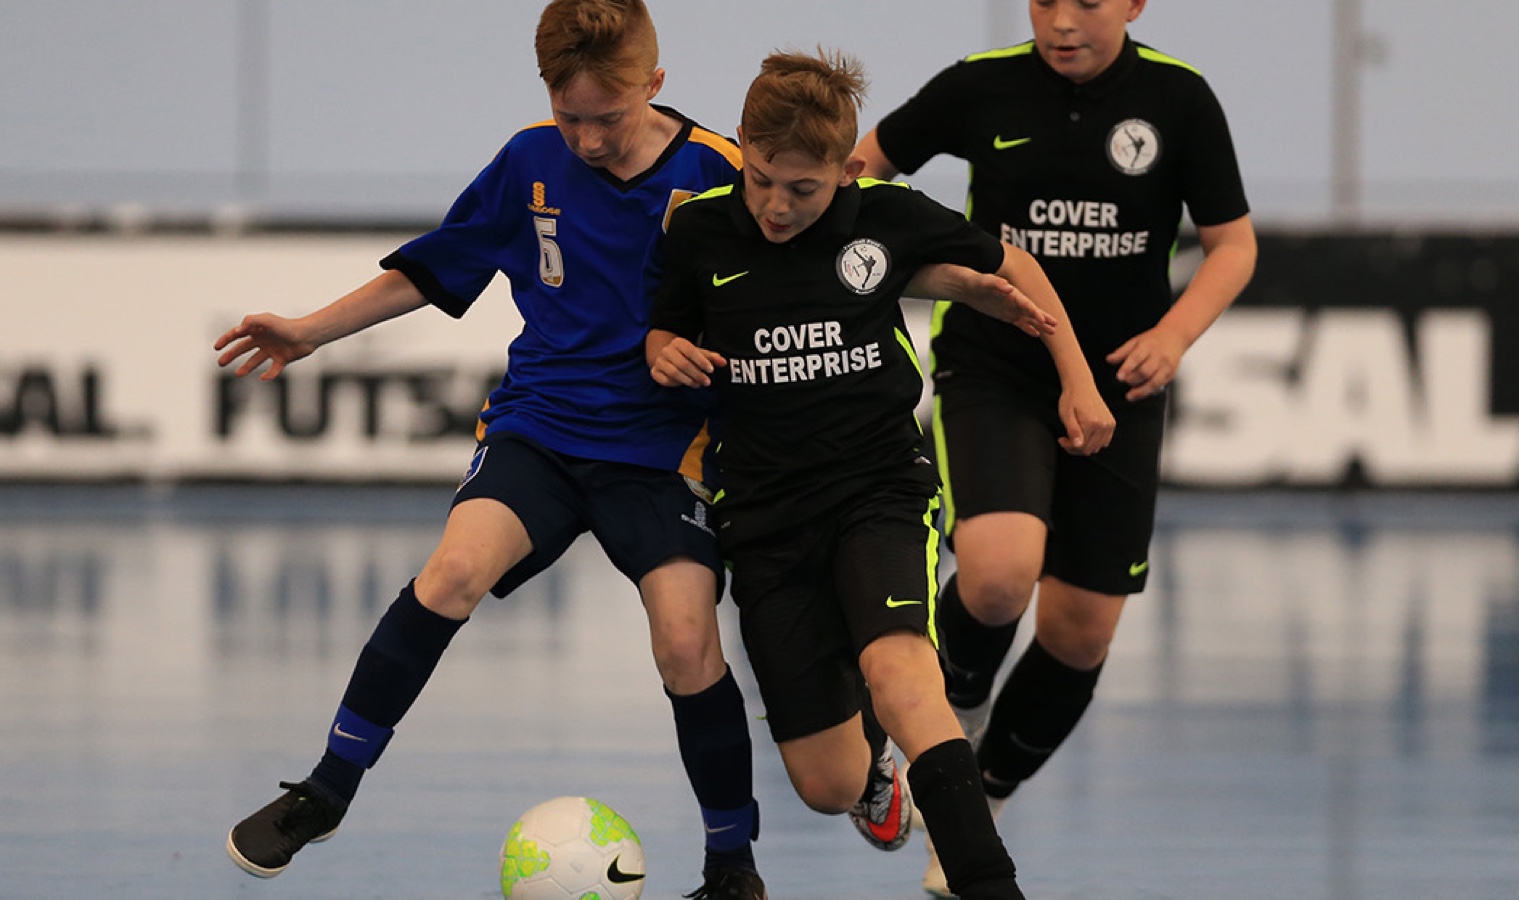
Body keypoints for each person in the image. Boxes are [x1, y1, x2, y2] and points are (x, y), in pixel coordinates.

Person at [214, 2, 769, 897]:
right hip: (540, 430)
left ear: (655, 85)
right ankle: (325, 791)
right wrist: (311, 332)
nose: (586, 139)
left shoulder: (720, 173)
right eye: (568, 113)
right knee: (450, 575)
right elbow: (434, 267)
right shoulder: (528, 159)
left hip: (664, 451)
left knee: (686, 643)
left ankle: (733, 866)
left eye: (609, 116)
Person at [647, 48, 1114, 900]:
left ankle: (987, 881)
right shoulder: (697, 230)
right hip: (762, 514)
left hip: (879, 489)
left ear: (844, 171)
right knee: (824, 785)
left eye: (804, 190)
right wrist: (662, 349)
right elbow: (664, 326)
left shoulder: (887, 216)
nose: (777, 206)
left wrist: (1075, 379)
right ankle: (869, 774)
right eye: (761, 181)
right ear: (743, 146)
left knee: (904, 675)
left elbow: (1017, 271)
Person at [853, 0, 1259, 894]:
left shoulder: (1179, 100)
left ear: (1133, 5)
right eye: (1044, 0)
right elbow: (862, 165)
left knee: (1079, 634)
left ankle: (988, 787)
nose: (1061, 20)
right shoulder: (980, 86)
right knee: (998, 575)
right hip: (995, 368)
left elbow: (1232, 246)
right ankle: (937, 727)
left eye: (1085, 2)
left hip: (1123, 380)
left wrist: (1176, 336)